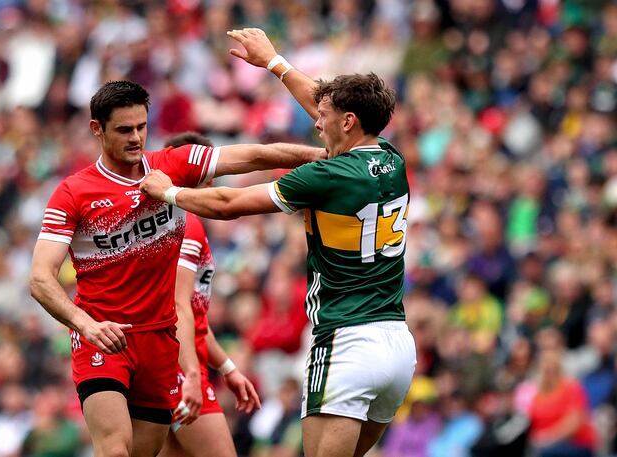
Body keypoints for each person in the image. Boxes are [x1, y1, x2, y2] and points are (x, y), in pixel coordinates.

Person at [140, 29, 417, 457]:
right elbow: (329, 110)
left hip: (345, 342)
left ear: (348, 122)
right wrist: (275, 63)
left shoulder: (325, 176)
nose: (315, 122)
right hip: (397, 346)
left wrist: (168, 192)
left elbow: (229, 202)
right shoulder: (392, 158)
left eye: (323, 116)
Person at [29, 80, 324, 457]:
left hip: (160, 342)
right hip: (102, 335)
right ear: (96, 129)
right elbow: (40, 279)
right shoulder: (73, 193)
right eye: (124, 130)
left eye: (142, 127)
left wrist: (321, 155)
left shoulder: (171, 166)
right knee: (115, 451)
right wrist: (86, 325)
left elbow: (252, 156)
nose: (136, 138)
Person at [159, 131, 261, 457]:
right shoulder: (186, 223)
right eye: (208, 176)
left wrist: (228, 368)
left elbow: (194, 315)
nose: (212, 185)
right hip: (179, 371)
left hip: (164, 369)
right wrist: (191, 374)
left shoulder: (161, 225)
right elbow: (177, 308)